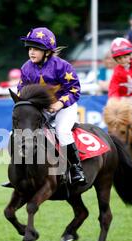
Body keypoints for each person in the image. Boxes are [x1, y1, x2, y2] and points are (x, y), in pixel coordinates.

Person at [13, 27, 85, 186]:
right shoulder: (26, 67)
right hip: (41, 109)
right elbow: (21, 89)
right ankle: (19, 173)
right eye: (30, 48)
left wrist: (59, 104)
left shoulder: (63, 66)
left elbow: (74, 89)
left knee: (62, 131)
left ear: (47, 51)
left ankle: (76, 168)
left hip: (65, 107)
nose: (31, 52)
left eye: (36, 49)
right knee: (23, 132)